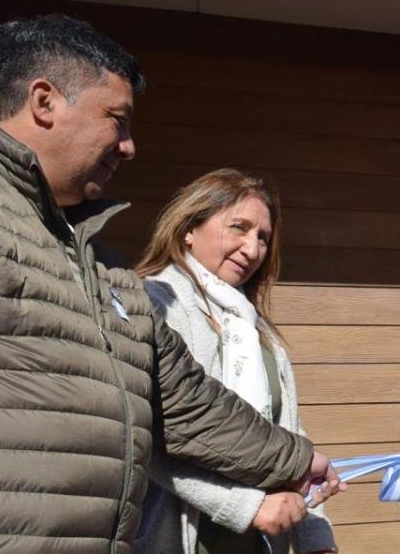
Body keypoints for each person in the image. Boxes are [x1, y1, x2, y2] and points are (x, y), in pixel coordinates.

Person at [0, 14, 343, 552]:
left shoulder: (104, 271)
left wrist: (297, 458)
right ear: (44, 102)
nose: (129, 146)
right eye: (117, 119)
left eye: (263, 237)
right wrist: (247, 504)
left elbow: (181, 403)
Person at [133, 169, 336, 553]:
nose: (253, 249)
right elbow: (149, 436)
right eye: (239, 228)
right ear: (189, 229)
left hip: (258, 540)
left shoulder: (256, 328)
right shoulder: (155, 304)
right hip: (179, 537)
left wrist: (315, 539)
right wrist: (245, 506)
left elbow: (290, 433)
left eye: (263, 238)